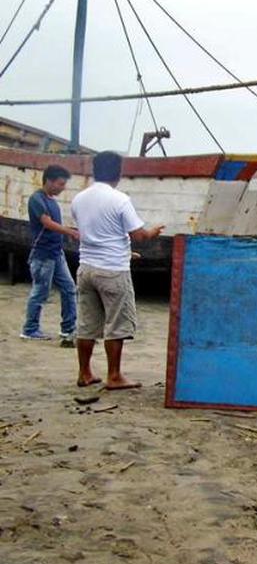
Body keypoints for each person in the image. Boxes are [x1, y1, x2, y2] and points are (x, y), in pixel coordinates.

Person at [71, 151, 164, 390]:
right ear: (119, 172)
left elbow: (91, 234)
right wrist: (153, 232)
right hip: (113, 270)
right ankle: (114, 375)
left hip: (86, 268)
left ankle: (85, 373)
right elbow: (138, 235)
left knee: (87, 323)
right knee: (116, 322)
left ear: (95, 170)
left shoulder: (78, 199)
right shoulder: (120, 199)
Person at [20, 165, 79, 342]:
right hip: (43, 254)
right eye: (61, 184)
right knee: (40, 292)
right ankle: (30, 329)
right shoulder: (37, 199)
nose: (63, 188)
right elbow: (47, 223)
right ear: (49, 181)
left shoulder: (51, 201)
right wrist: (71, 232)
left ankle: (68, 328)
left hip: (56, 253)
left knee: (69, 289)